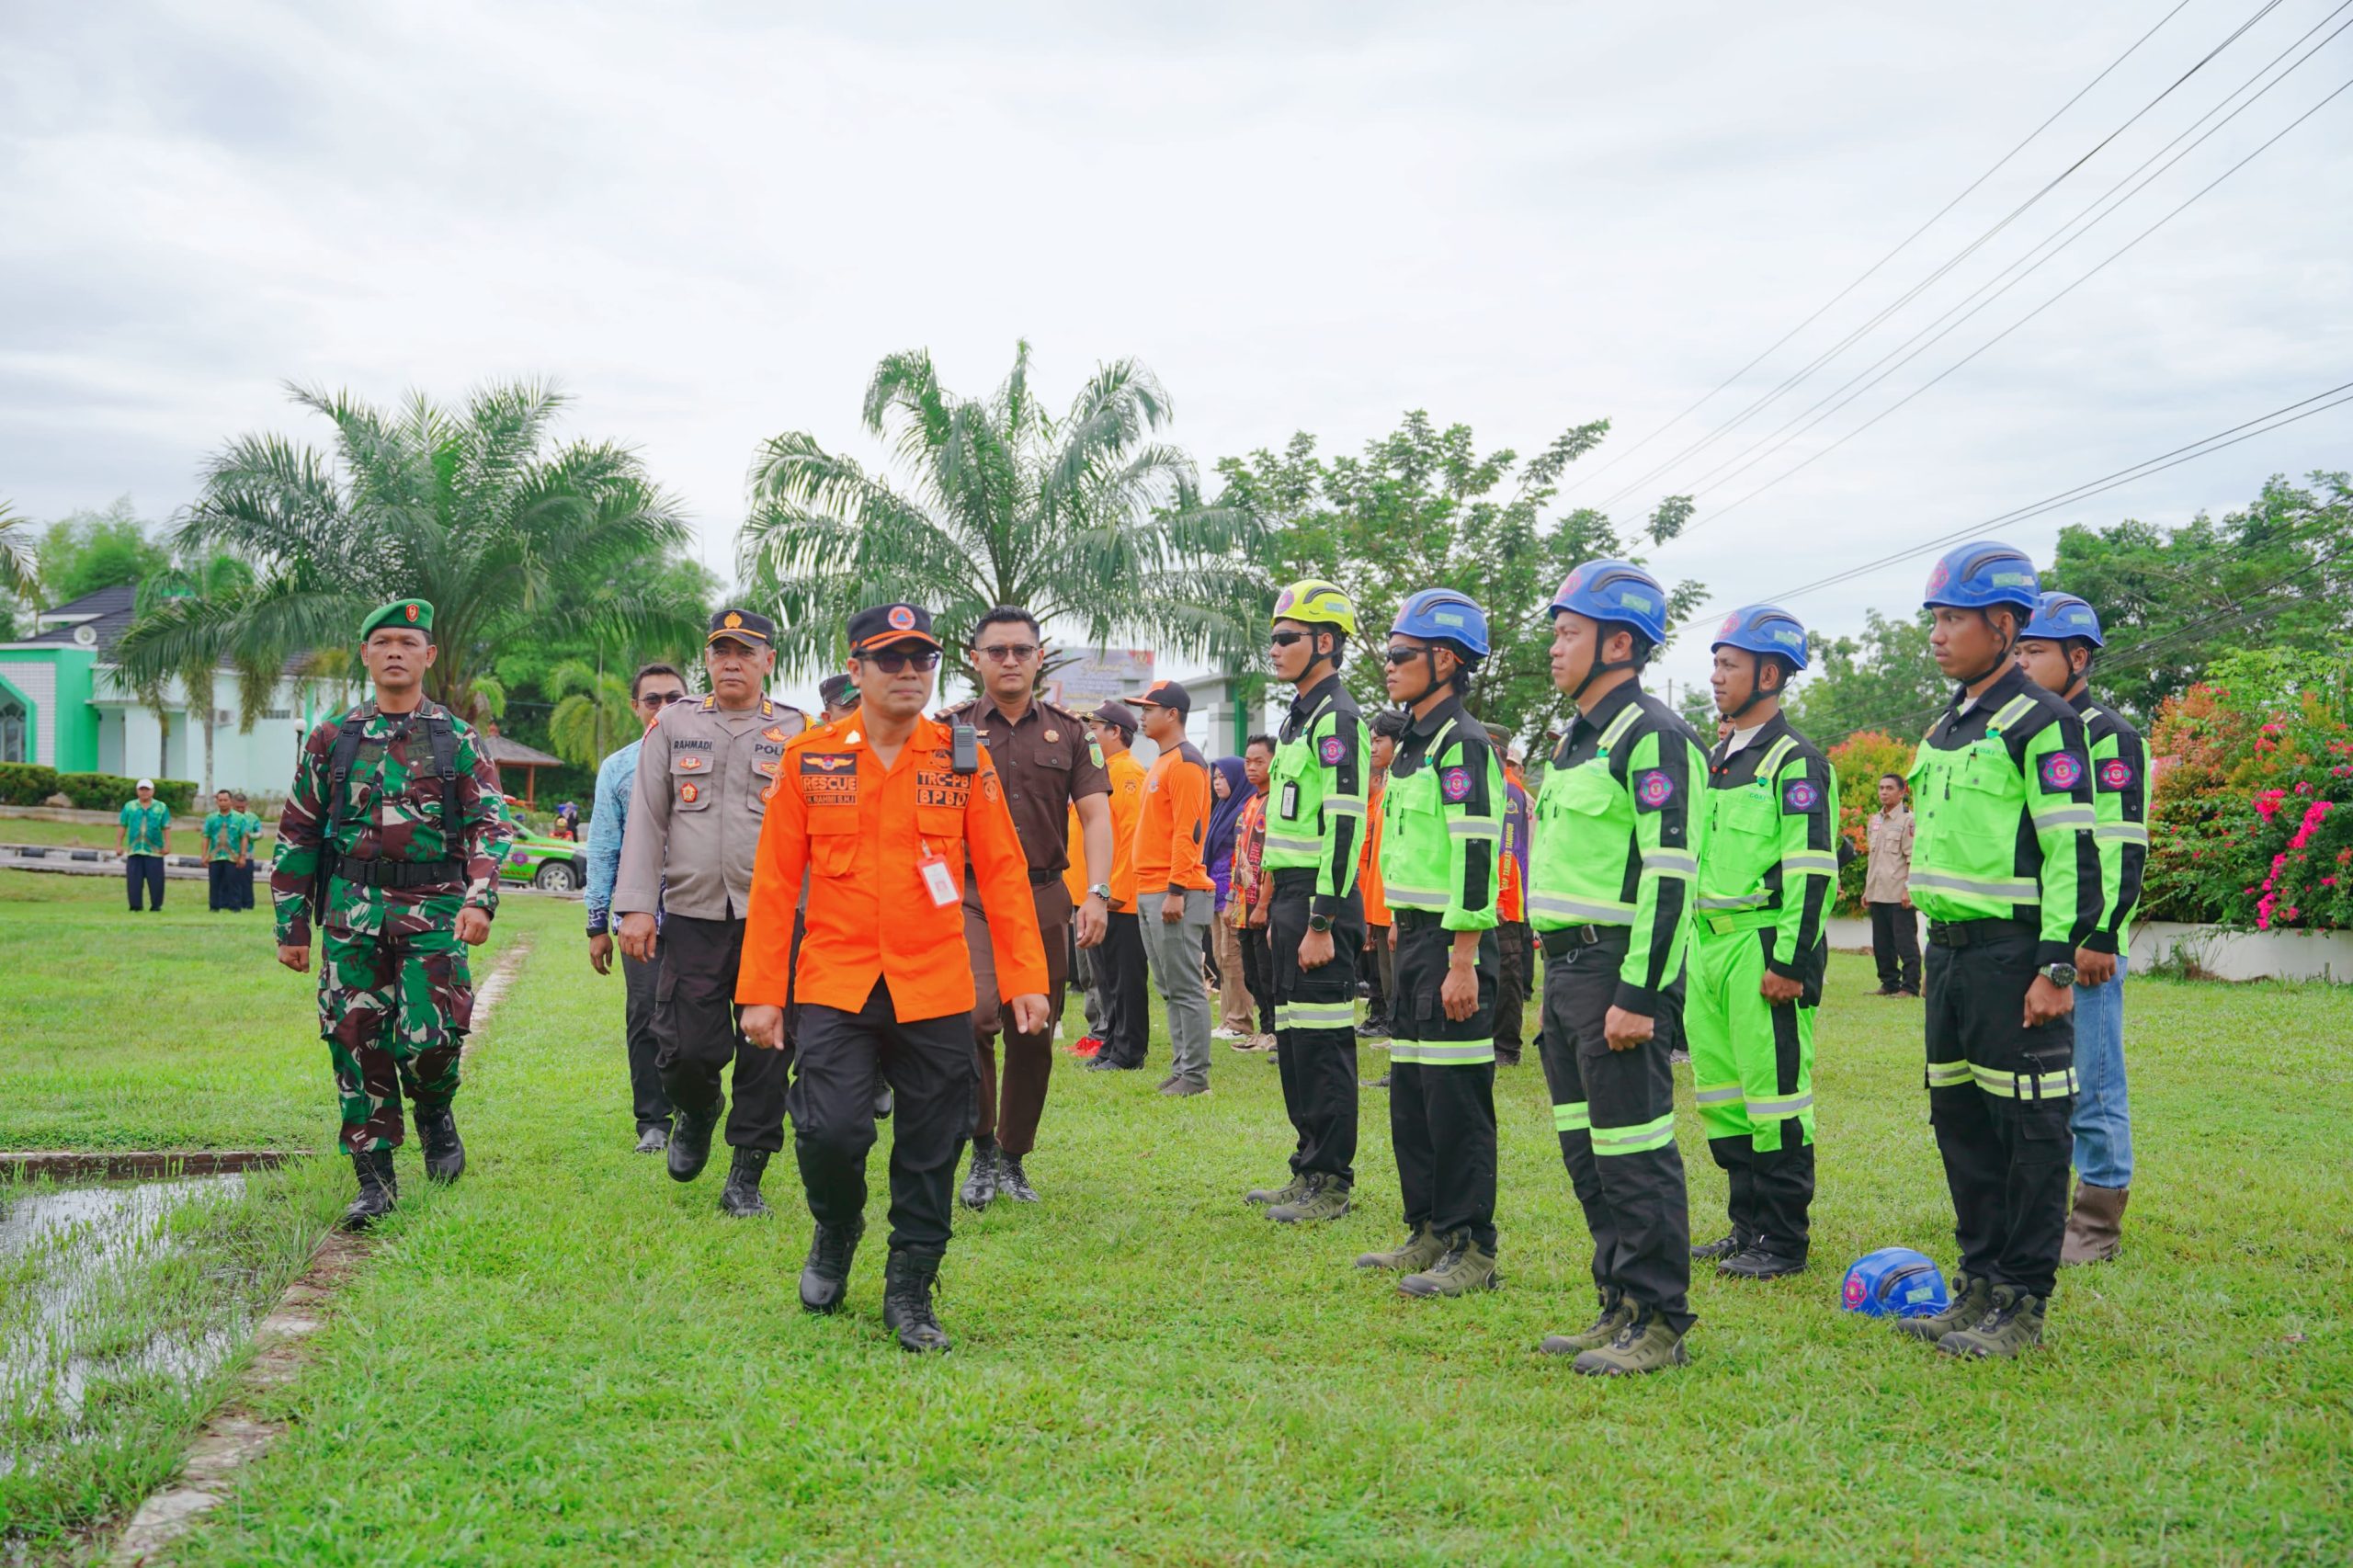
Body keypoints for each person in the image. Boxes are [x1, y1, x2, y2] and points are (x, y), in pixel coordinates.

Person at [736, 601, 1048, 1354]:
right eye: (890, 659)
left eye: (922, 659)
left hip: (933, 982)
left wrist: (1023, 978)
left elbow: (1003, 872)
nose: (910, 672)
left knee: (933, 1141)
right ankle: (837, 1227)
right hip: (835, 980)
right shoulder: (810, 758)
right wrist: (761, 994)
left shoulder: (960, 757)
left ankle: (910, 1285)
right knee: (829, 1130)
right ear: (856, 668)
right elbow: (775, 883)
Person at [1889, 543, 2100, 1359]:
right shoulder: (1946, 726)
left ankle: (2021, 1301)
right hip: (1948, 959)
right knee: (1963, 1124)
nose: (1938, 635)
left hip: (2015, 959)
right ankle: (1977, 1283)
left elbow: (2072, 851)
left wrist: (2056, 966)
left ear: (2005, 626)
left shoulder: (2043, 722)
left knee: (2029, 1131)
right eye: (1935, 619)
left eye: (1955, 619)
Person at [270, 598, 515, 1229]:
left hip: (434, 910)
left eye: (408, 643)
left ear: (428, 656)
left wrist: (479, 898)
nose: (395, 652)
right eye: (383, 642)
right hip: (351, 913)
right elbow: (298, 831)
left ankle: (434, 1108)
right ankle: (374, 1179)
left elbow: (490, 825)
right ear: (366, 655)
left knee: (431, 1040)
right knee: (355, 1040)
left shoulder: (455, 738)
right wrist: (292, 925)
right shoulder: (333, 738)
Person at [1526, 560, 1707, 1376]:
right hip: (1566, 971)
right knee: (1588, 1152)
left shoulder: (1653, 734)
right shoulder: (1576, 741)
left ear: (1620, 643)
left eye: (1569, 633)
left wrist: (1640, 992)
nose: (1555, 647)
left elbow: (1671, 875)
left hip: (1618, 971)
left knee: (1634, 1150)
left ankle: (1661, 1319)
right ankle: (1619, 1301)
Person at [614, 609, 808, 1218]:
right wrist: (636, 907)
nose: (732, 662)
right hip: (693, 913)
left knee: (768, 1050)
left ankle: (746, 1176)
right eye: (722, 651)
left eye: (746, 652)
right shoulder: (674, 723)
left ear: (768, 661)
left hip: (773, 918)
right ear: (707, 659)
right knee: (683, 1046)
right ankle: (697, 1110)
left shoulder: (799, 732)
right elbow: (647, 819)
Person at [1352, 589, 1506, 1297]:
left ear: (1445, 660)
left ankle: (1473, 1246)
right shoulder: (1412, 743)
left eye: (1401, 654)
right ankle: (1429, 1229)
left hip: (1452, 943)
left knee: (1456, 1100)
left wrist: (1464, 958)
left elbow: (1476, 855)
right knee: (1412, 1095)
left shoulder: (1463, 744)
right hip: (1411, 939)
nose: (1389, 665)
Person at [1688, 605, 1838, 1281]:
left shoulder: (1796, 762)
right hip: (1707, 948)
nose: (1716, 676)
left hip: (1760, 947)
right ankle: (1745, 1227)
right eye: (1716, 663)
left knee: (1776, 1100)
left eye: (1730, 664)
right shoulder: (1718, 758)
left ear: (1770, 675)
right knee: (1725, 1097)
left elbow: (1813, 872)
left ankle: (1783, 1239)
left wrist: (1789, 961)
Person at [942, 606, 1112, 1210]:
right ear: (976, 659)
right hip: (971, 897)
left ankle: (1012, 1157)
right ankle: (980, 1149)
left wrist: (1097, 892)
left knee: (1033, 1029)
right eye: (997, 651)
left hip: (1042, 895)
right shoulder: (948, 730)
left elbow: (1095, 816)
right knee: (974, 1017)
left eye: (1021, 650)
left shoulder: (1072, 733)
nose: (1009, 660)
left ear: (1040, 657)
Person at [2014, 591, 2147, 1266]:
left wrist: (2100, 936)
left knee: (2093, 1083)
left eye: (2035, 651)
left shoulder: (2108, 735)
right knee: (2038, 1082)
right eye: (2017, 650)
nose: (2022, 662)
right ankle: (2037, 1207)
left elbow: (2121, 844)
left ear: (2078, 658)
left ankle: (2096, 1220)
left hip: (2084, 944)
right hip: (2033, 940)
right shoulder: (2026, 728)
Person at [1246, 580, 1368, 1226]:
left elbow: (1345, 825)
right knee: (1294, 1045)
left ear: (1324, 642)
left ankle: (1332, 1181)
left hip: (1324, 902)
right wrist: (1276, 907)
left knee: (1324, 1048)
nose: (1274, 648)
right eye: (1272, 638)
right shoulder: (1297, 718)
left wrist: (1321, 918)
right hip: (1291, 898)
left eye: (1286, 637)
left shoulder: (1338, 719)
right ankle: (1307, 1166)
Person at [585, 662, 690, 1154]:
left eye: (674, 698)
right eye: (653, 700)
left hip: (704, 913)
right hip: (639, 916)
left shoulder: (708, 758)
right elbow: (604, 847)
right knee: (645, 1013)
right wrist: (596, 924)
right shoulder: (619, 767)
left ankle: (695, 1107)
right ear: (635, 707)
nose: (664, 708)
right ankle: (653, 1120)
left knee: (699, 1019)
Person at [1126, 680, 1215, 1096]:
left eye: (1148, 709)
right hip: (1151, 888)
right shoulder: (1163, 761)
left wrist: (1177, 889)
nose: (1142, 717)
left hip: (1173, 889)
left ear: (1172, 714)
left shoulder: (1186, 763)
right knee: (1168, 987)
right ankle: (1182, 1068)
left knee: (1185, 987)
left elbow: (1188, 831)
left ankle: (1195, 1076)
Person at [1083, 701, 1153, 1073]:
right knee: (1107, 977)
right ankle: (1111, 1043)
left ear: (1115, 732)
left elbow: (1131, 838)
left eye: (1094, 727)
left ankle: (1129, 1051)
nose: (1088, 734)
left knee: (1125, 979)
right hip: (1098, 896)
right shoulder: (1101, 771)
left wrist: (1115, 892)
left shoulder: (1127, 772)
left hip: (1119, 900)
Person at [1356, 710, 1404, 1052]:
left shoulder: (1403, 786)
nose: (1372, 747)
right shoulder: (1387, 788)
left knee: (1401, 985)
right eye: (1370, 741)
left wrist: (1396, 913)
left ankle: (1405, 1047)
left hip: (1397, 907)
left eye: (1378, 740)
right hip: (1379, 905)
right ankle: (1399, 1040)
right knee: (1389, 986)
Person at [1230, 734, 1278, 1053]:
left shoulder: (1277, 802)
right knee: (1251, 974)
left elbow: (1273, 857)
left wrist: (1263, 904)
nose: (1251, 767)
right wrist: (1232, 902)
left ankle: (1274, 1031)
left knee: (1267, 971)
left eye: (1259, 761)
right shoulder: (1250, 803)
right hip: (1243, 906)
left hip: (1263, 905)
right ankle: (1263, 1029)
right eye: (1248, 761)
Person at [1489, 728, 1534, 1067]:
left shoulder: (1508, 789)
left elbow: (1508, 847)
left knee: (1507, 973)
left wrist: (1500, 899)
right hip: (1492, 896)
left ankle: (1506, 1046)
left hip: (1506, 898)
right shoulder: (1493, 782)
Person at [1206, 756, 1255, 1042]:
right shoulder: (1221, 809)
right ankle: (1227, 1019)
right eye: (1215, 777)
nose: (1217, 782)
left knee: (1233, 956)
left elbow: (1241, 856)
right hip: (1215, 891)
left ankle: (1240, 1020)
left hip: (1234, 894)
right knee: (1220, 956)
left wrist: (1232, 897)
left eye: (1223, 777)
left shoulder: (1242, 809)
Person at [1866, 774, 1920, 997]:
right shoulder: (1875, 820)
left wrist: (1908, 889)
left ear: (1901, 792)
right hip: (1878, 892)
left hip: (1899, 894)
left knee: (1905, 943)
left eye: (1889, 788)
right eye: (1881, 788)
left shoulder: (1908, 820)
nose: (1884, 792)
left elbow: (1912, 858)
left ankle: (1910, 987)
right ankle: (1889, 983)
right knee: (1882, 944)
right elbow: (1873, 858)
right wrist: (1867, 890)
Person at [118, 779, 170, 912]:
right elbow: (123, 825)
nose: (144, 792)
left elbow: (166, 826)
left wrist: (167, 844)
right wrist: (118, 844)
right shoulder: (130, 806)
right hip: (135, 849)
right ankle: (135, 906)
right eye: (142, 789)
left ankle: (156, 906)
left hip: (154, 850)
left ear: (153, 791)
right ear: (137, 791)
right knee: (134, 881)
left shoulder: (161, 807)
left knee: (156, 881)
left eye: (147, 789)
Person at [204, 788, 243, 912]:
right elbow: (206, 837)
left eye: (225, 800)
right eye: (220, 800)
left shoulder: (239, 818)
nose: (223, 803)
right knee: (214, 883)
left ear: (231, 801)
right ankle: (214, 907)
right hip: (215, 856)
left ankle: (235, 907)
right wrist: (204, 855)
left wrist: (242, 856)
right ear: (217, 801)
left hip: (232, 856)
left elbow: (243, 838)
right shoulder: (211, 818)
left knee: (233, 882)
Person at [233, 791, 262, 911]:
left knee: (246, 881)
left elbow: (260, 833)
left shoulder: (252, 818)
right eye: (237, 807)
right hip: (231, 854)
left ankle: (248, 904)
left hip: (248, 855)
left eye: (242, 807)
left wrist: (250, 836)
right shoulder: (230, 818)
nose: (240, 809)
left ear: (246, 805)